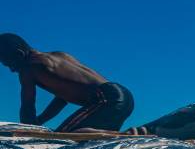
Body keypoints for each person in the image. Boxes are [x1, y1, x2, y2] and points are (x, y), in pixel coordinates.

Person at [0, 33, 134, 132]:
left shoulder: (28, 68)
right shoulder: (60, 55)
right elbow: (62, 99)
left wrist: (28, 131)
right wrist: (40, 120)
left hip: (105, 100)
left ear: (19, 54)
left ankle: (120, 134)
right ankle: (137, 132)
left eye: (9, 64)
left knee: (64, 137)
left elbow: (27, 105)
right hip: (123, 95)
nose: (12, 70)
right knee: (90, 139)